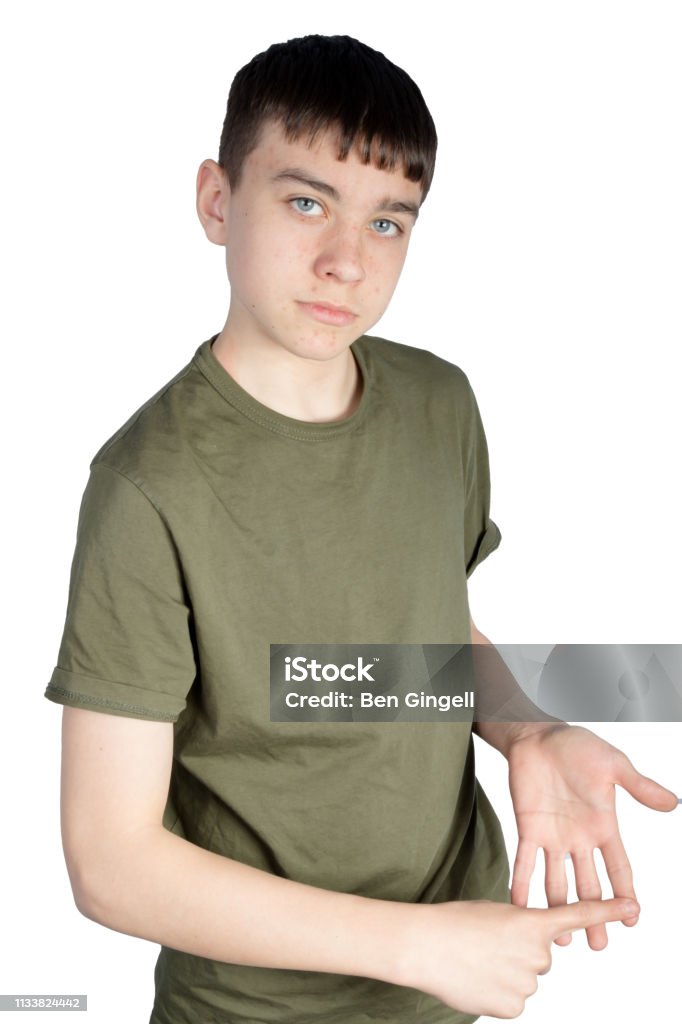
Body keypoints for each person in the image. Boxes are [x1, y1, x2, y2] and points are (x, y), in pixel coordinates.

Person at [45, 34, 677, 1024]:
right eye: (305, 203)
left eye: (387, 222)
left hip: (455, 979)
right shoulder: (146, 486)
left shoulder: (437, 404)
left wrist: (530, 729)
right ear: (217, 199)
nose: (346, 261)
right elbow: (110, 863)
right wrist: (415, 946)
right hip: (254, 1009)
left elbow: (419, 642)